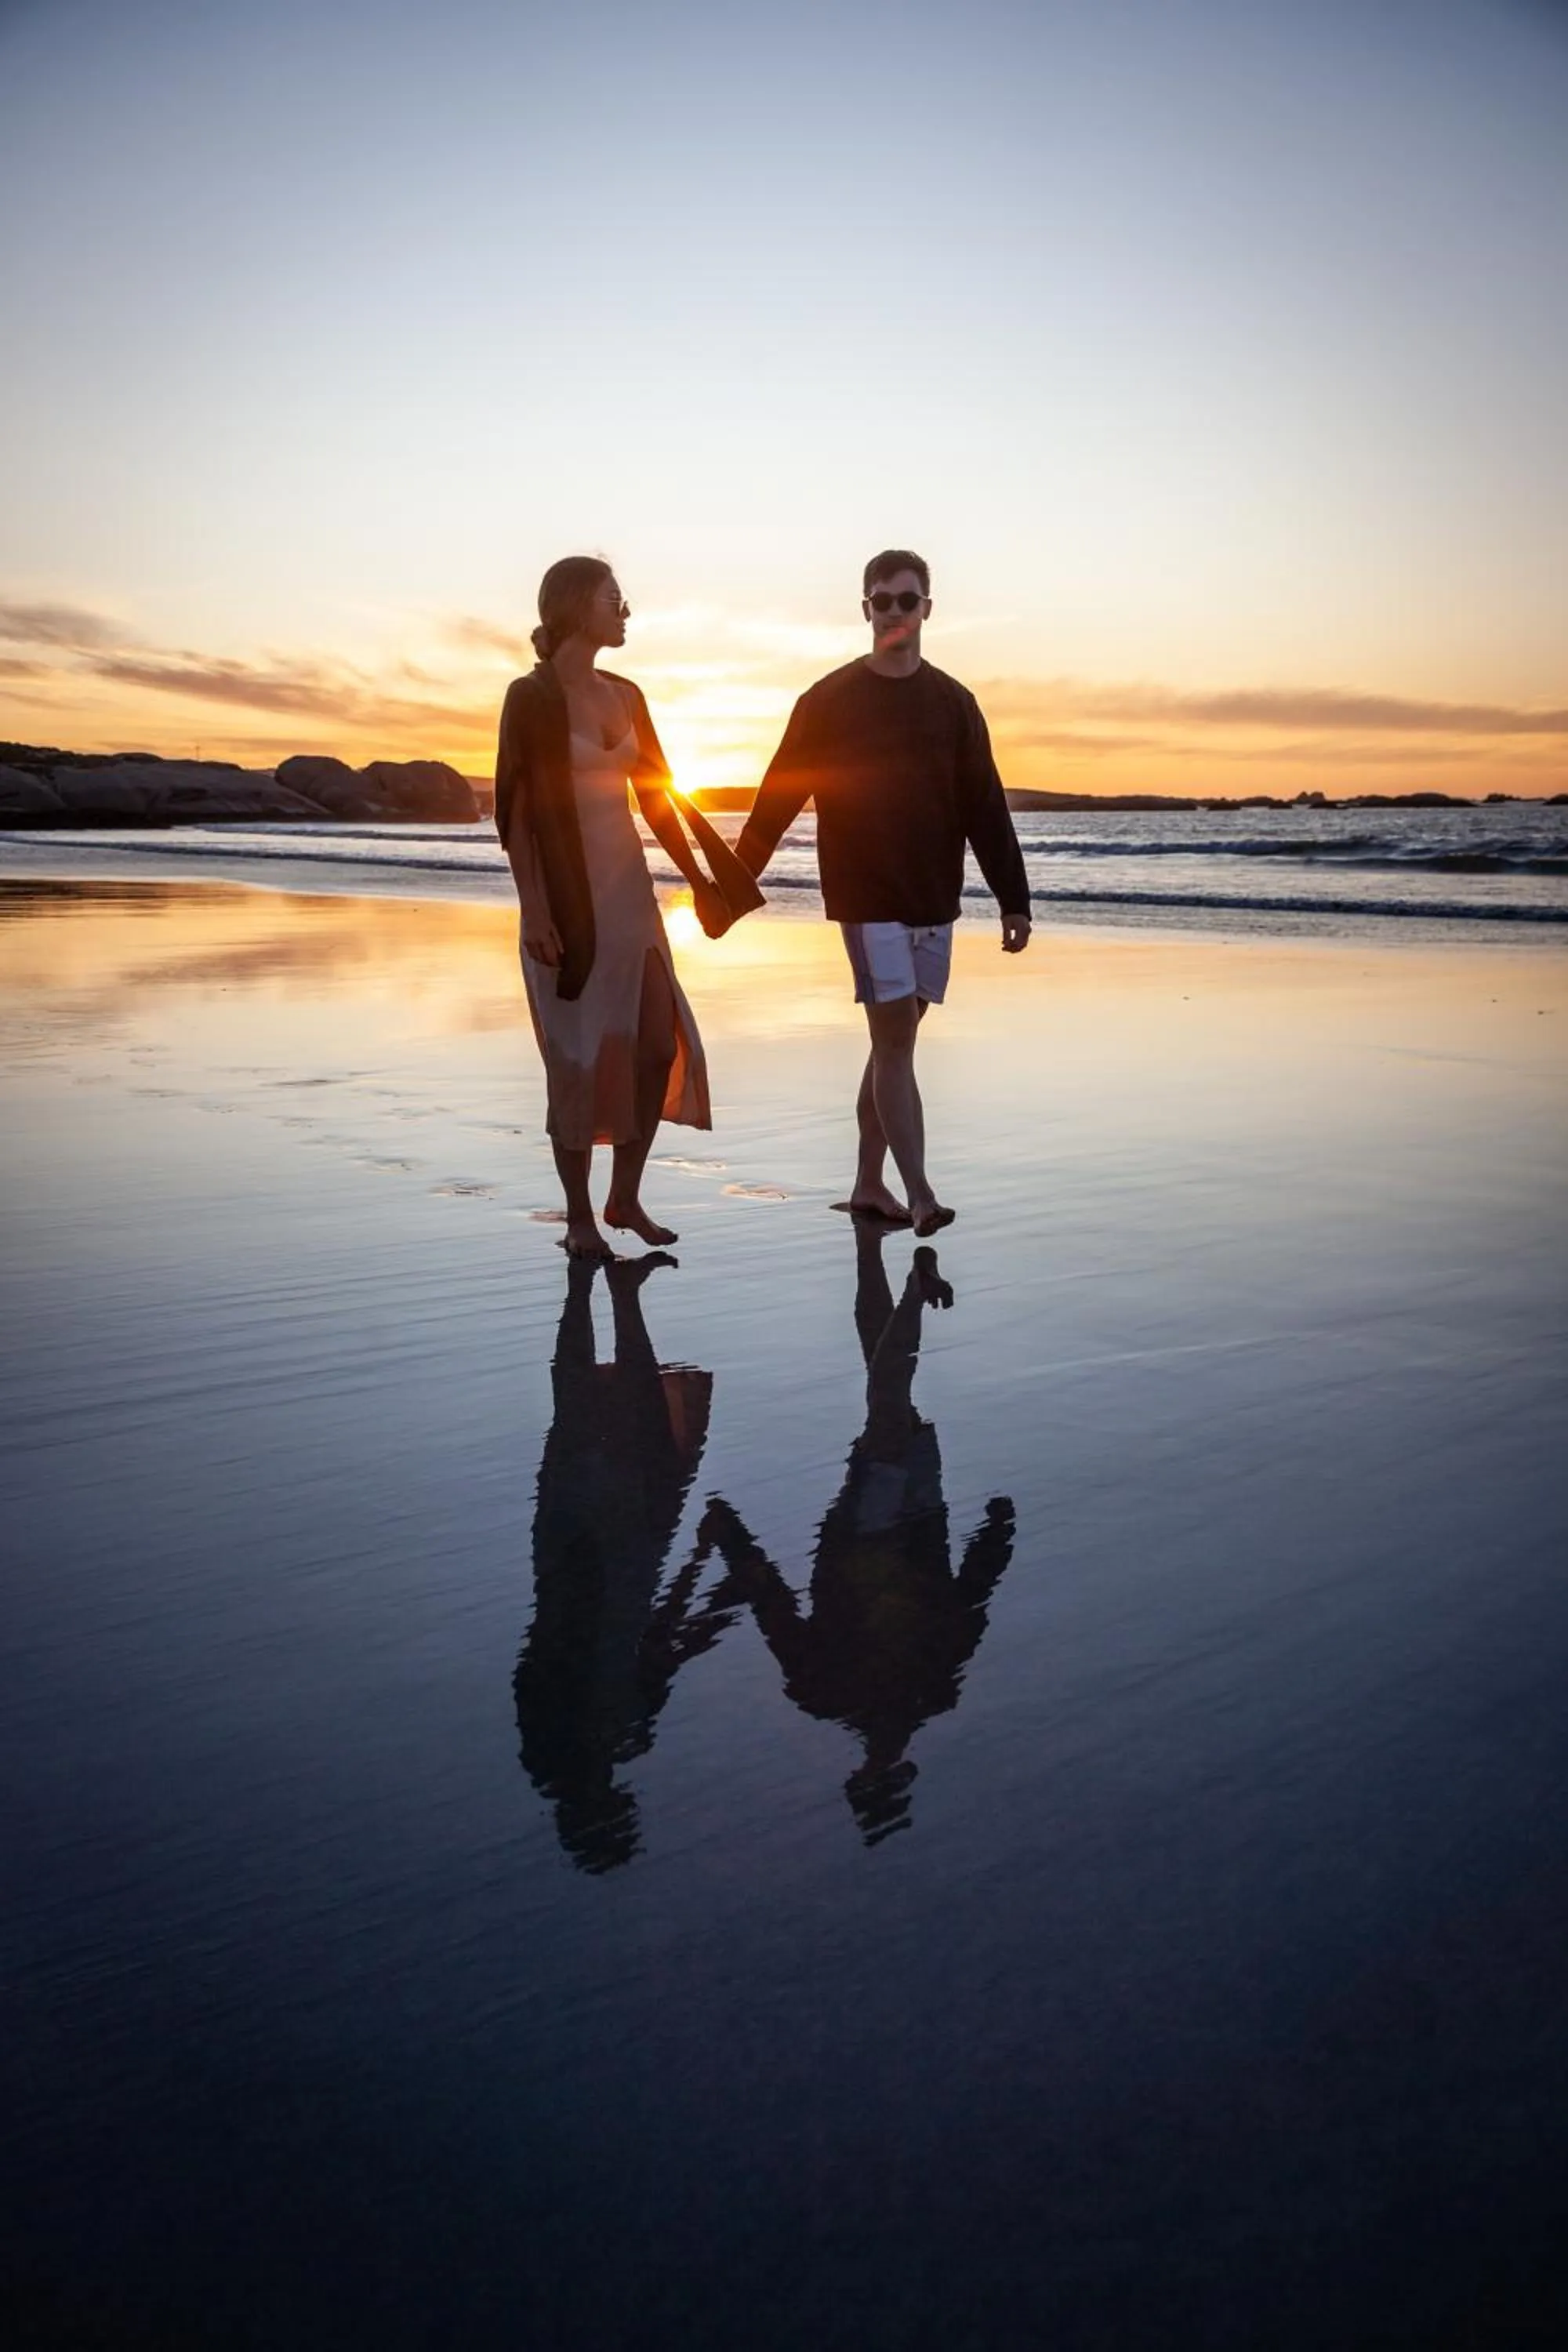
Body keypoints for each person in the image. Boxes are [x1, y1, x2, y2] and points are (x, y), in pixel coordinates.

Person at [736, 550, 1032, 1236]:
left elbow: (985, 806)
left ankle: (869, 1183)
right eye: (881, 600)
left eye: (907, 599)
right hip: (866, 895)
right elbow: (778, 796)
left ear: (929, 607)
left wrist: (1013, 898)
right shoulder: (828, 701)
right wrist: (737, 878)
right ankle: (921, 1192)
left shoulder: (956, 704)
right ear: (864, 608)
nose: (894, 611)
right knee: (895, 1044)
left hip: (936, 896)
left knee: (893, 1044)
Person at [699, 1224, 1016, 1846]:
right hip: (872, 1536)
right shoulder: (823, 1693)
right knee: (887, 1394)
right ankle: (908, 1287)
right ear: (858, 1776)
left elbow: (969, 1604)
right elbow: (773, 1604)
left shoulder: (925, 1694)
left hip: (918, 1522)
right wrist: (729, 1532)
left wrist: (998, 1533)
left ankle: (896, 1279)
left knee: (889, 1394)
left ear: (899, 1771)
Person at [495, 556, 764, 1260]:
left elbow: (659, 798)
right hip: (567, 903)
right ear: (579, 606)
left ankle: (626, 1195)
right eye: (615, 598)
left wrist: (702, 880)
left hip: (631, 899)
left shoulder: (629, 694)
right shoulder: (532, 697)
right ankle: (581, 1216)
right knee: (577, 1059)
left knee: (654, 1045)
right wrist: (534, 912)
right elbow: (516, 815)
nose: (626, 610)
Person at [514, 1254, 737, 1872]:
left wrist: (710, 1566)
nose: (623, 1801)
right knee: (581, 1411)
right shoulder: (578, 1736)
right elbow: (660, 1639)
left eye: (618, 1811)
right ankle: (595, 1287)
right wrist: (704, 1563)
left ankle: (606, 1288)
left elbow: (660, 1638)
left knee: (617, 1411)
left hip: (609, 1555)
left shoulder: (613, 1731)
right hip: (573, 1555)